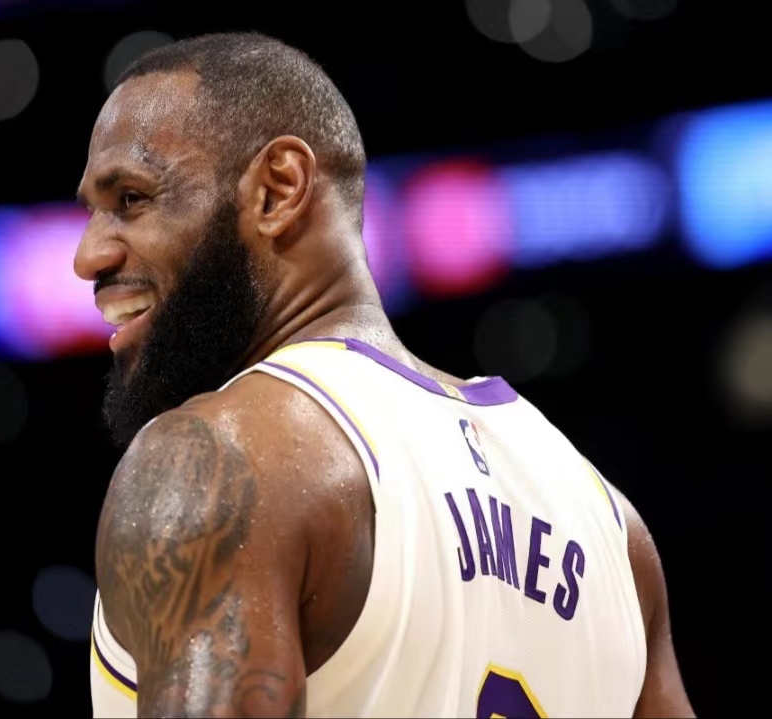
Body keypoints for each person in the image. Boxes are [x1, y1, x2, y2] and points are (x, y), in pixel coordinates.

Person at [73, 31, 694, 718]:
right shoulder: (612, 528)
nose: (87, 255)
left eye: (131, 199)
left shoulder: (218, 460)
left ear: (278, 189)